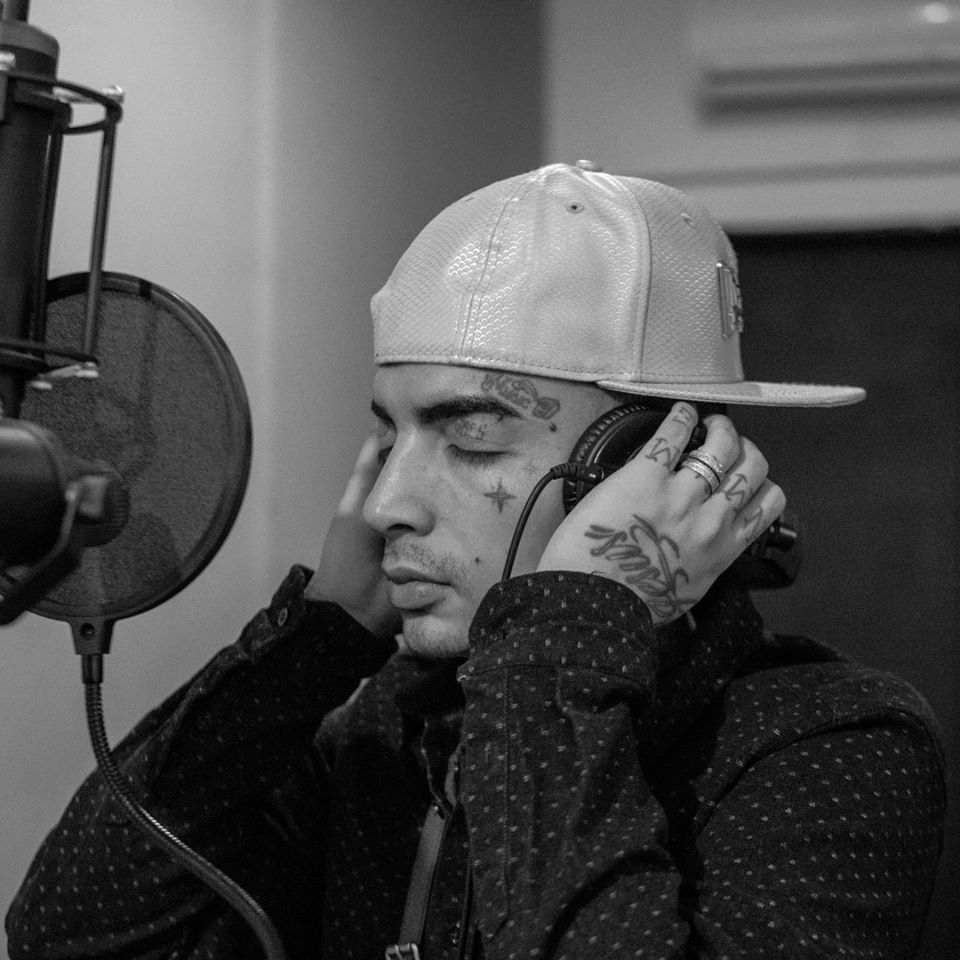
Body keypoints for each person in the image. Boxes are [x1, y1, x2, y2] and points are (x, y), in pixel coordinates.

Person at [6, 162, 946, 960]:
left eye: (470, 437)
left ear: (632, 466)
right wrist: (315, 642)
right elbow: (70, 938)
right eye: (389, 438)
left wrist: (569, 635)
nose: (385, 503)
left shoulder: (830, 745)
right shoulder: (386, 732)